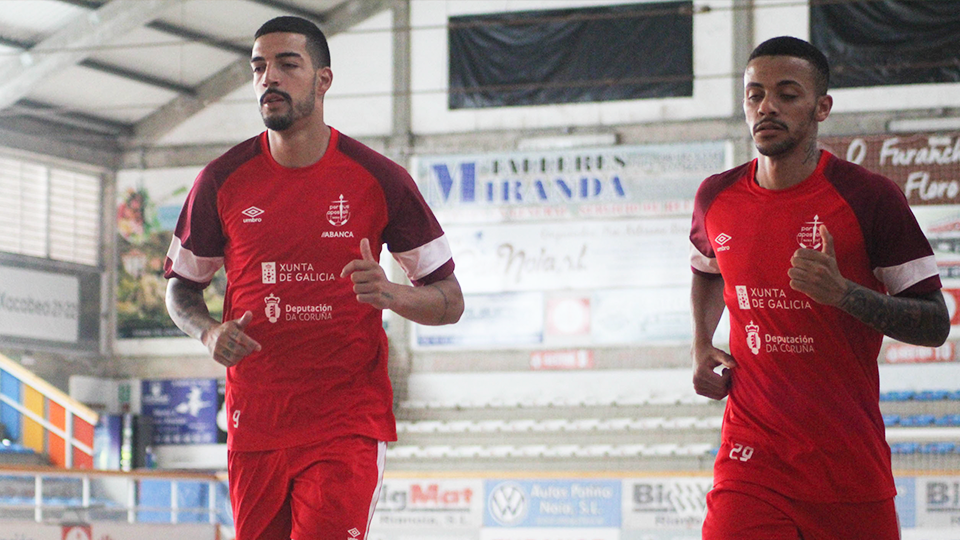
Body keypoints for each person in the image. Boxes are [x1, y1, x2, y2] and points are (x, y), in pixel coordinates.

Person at [163, 16, 464, 540]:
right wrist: (207, 331)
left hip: (345, 423)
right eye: (259, 67)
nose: (268, 79)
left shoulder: (381, 179)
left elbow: (450, 300)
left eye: (287, 64)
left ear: (323, 80)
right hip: (254, 424)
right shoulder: (219, 181)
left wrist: (391, 294)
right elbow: (180, 288)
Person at [689, 36, 949, 540]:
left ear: (822, 107)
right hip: (751, 462)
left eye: (787, 94)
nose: (767, 106)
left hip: (848, 470)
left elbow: (935, 323)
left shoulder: (869, 198)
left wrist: (844, 294)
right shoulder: (715, 196)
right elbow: (706, 269)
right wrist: (701, 344)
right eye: (754, 94)